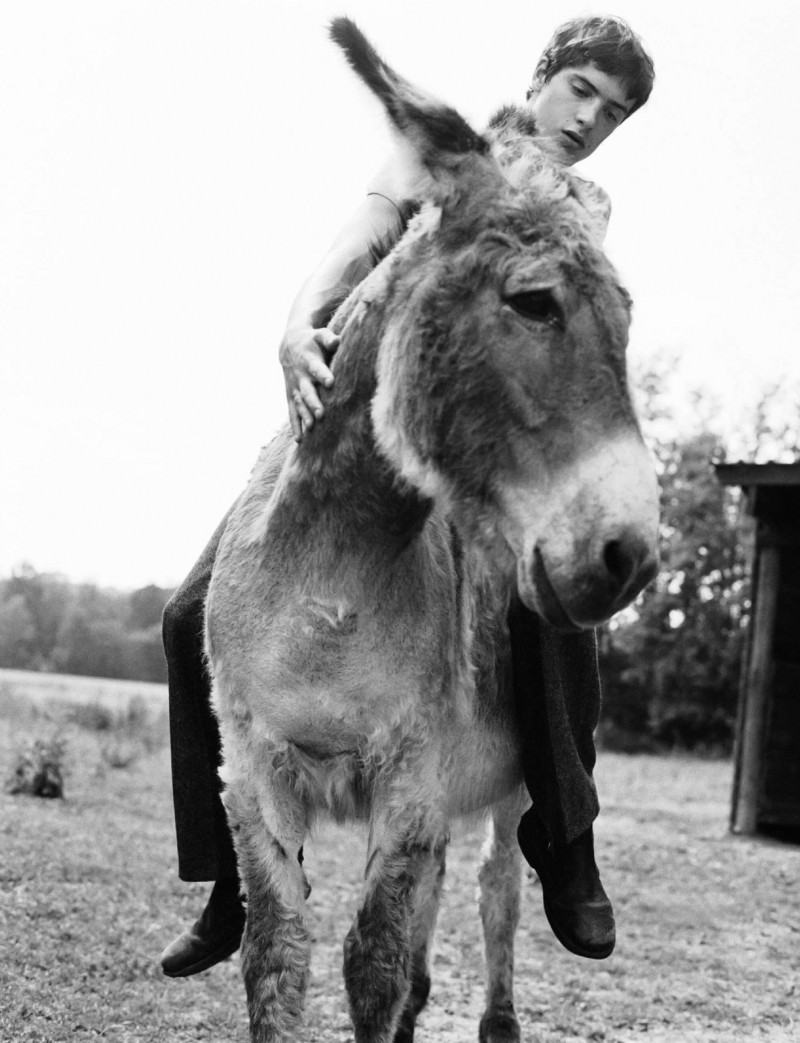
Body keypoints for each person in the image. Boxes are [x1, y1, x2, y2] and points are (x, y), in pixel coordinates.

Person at [159, 14, 655, 978]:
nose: (591, 120)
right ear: (544, 75)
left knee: (552, 611)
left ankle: (564, 833)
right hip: (347, 414)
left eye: (616, 112)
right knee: (186, 615)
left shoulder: (583, 203)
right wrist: (297, 324)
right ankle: (235, 873)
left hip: (469, 432)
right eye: (582, 91)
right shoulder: (442, 152)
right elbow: (359, 235)